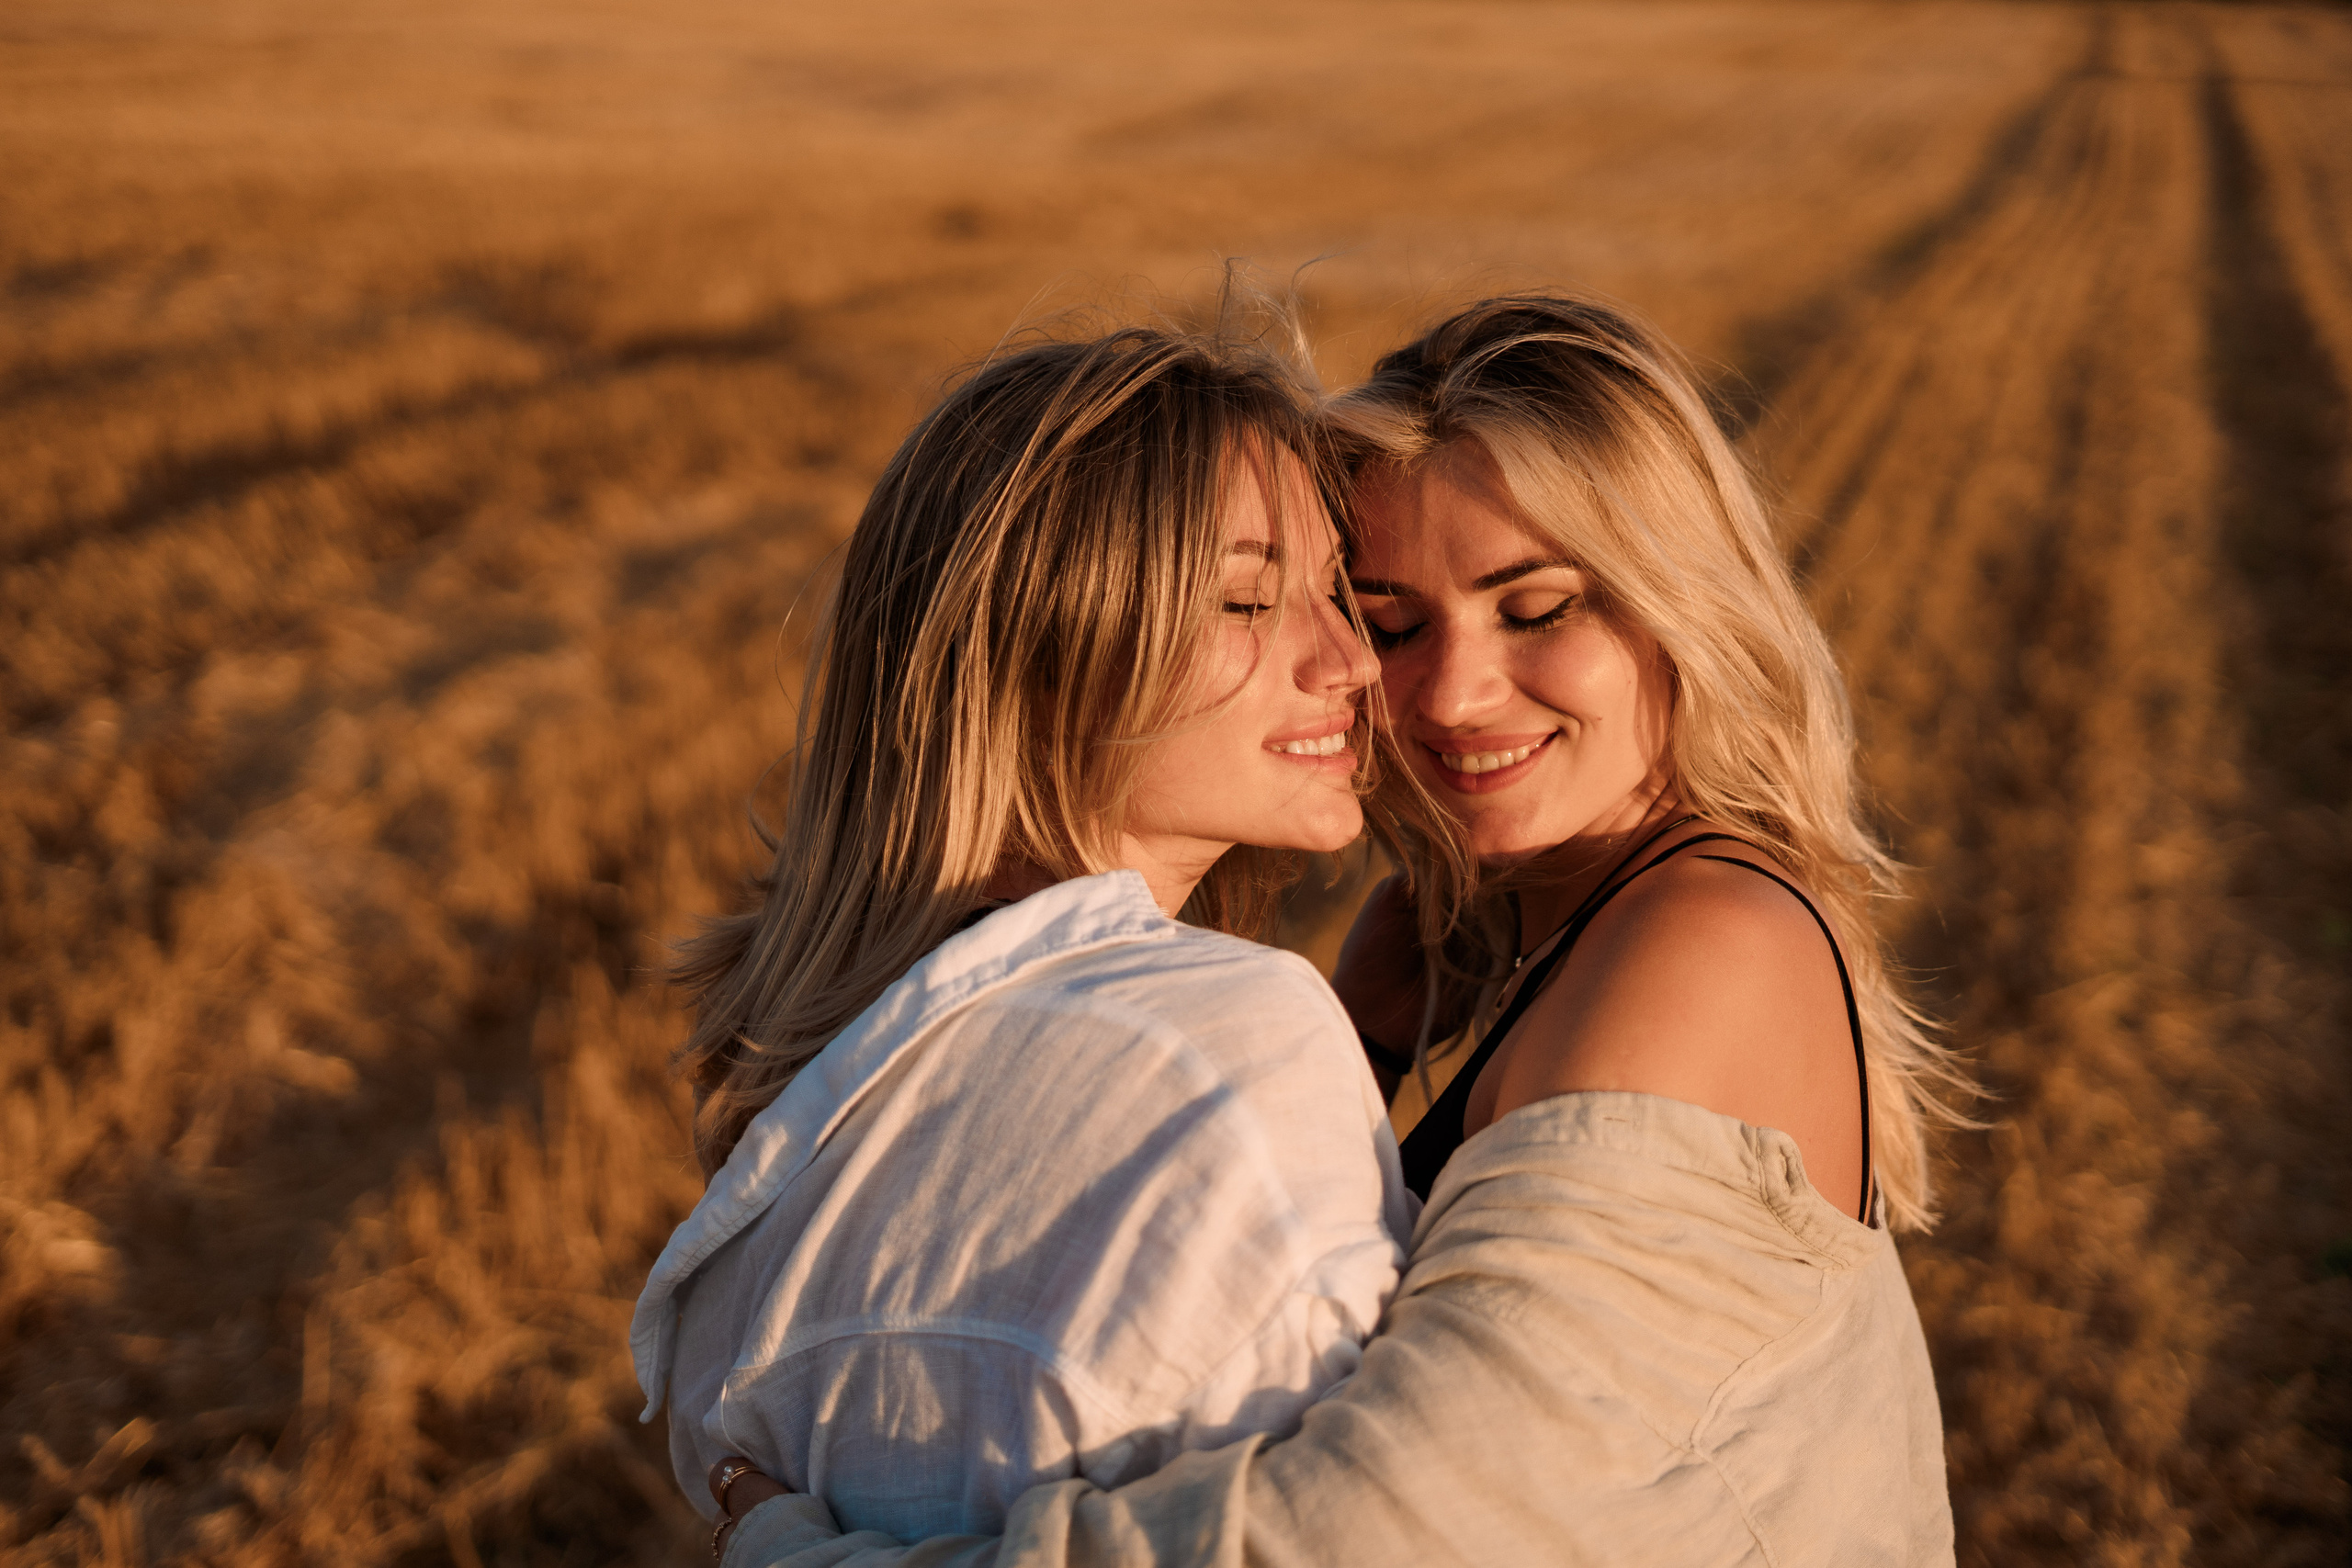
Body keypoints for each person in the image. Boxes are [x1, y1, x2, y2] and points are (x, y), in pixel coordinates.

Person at [706, 294, 1964, 1566]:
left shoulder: (1703, 941)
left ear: (1681, 608)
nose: (1441, 693)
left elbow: (1386, 1532)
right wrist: (1363, 1044)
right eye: (1396, 622)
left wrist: (800, 1559)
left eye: (1536, 609)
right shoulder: (1581, 940)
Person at [631, 321, 1409, 1554]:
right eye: (1252, 599)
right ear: (1041, 654)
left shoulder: (796, 1159)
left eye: (1341, 593)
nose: (1352, 660)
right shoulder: (1240, 1040)